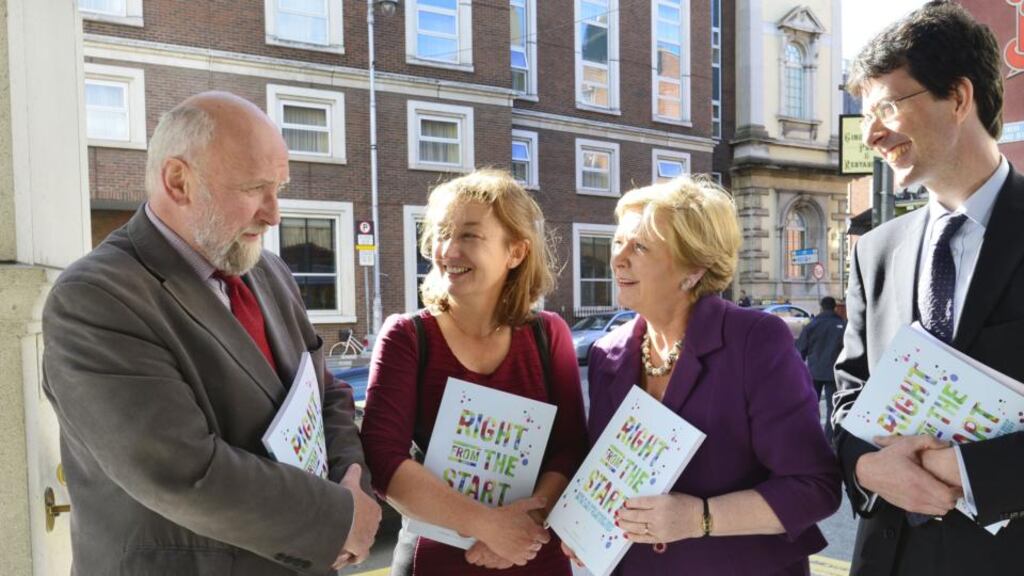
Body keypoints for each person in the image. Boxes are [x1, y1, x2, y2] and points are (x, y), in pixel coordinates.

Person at [41, 92, 381, 575]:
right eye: (255, 188)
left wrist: (351, 482)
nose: (274, 214)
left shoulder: (271, 273)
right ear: (179, 181)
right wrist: (337, 520)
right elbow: (182, 471)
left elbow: (325, 393)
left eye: (278, 188)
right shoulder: (94, 297)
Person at [833, 2, 1024, 574]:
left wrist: (968, 473)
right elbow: (848, 401)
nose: (871, 133)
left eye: (887, 106)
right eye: (865, 114)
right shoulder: (875, 251)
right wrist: (866, 467)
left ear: (959, 97)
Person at [568, 176, 841, 575]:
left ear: (693, 269)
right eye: (618, 242)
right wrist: (586, 529)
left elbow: (814, 487)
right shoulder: (608, 354)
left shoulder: (754, 341)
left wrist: (701, 518)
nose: (618, 259)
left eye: (640, 246)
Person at [361, 169, 587, 575]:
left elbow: (570, 448)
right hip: (434, 561)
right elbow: (383, 457)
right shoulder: (406, 336)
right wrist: (487, 526)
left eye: (469, 235)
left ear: (515, 252)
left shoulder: (549, 334)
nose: (448, 250)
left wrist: (520, 529)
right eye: (442, 234)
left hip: (533, 555)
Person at [795, 296, 846, 444]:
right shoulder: (843, 325)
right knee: (832, 407)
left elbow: (800, 349)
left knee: (810, 404)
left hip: (814, 371)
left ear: (821, 307)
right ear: (834, 307)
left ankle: (811, 435)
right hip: (834, 373)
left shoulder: (812, 325)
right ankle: (828, 439)